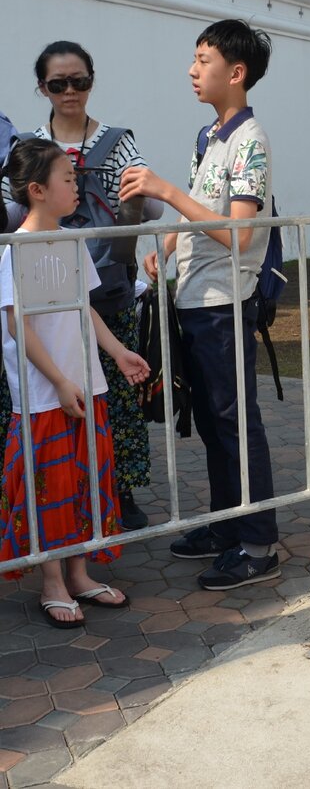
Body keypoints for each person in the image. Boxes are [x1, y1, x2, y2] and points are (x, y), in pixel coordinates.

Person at [119, 20, 278, 592]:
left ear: (235, 73)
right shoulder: (210, 136)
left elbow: (239, 233)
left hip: (225, 301)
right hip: (196, 296)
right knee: (212, 421)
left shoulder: (249, 140)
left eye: (203, 59)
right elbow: (203, 212)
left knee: (237, 422)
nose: (193, 69)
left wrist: (165, 193)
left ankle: (258, 542)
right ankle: (223, 524)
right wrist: (167, 241)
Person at [0, 139, 150, 626]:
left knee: (85, 479)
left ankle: (80, 575)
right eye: (68, 179)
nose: (76, 186)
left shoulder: (70, 241)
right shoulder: (13, 251)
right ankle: (51, 582)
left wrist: (118, 353)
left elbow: (85, 310)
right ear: (38, 189)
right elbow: (16, 324)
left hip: (84, 384)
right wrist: (60, 382)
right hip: (44, 394)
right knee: (47, 486)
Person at [19, 41, 163, 531]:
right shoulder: (30, 145)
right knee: (50, 391)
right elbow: (11, 209)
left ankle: (116, 489)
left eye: (78, 81)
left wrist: (139, 190)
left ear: (91, 81)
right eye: (58, 84)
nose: (70, 92)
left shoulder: (119, 141)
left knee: (116, 395)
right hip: (44, 292)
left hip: (108, 288)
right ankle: (57, 493)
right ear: (42, 88)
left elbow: (151, 204)